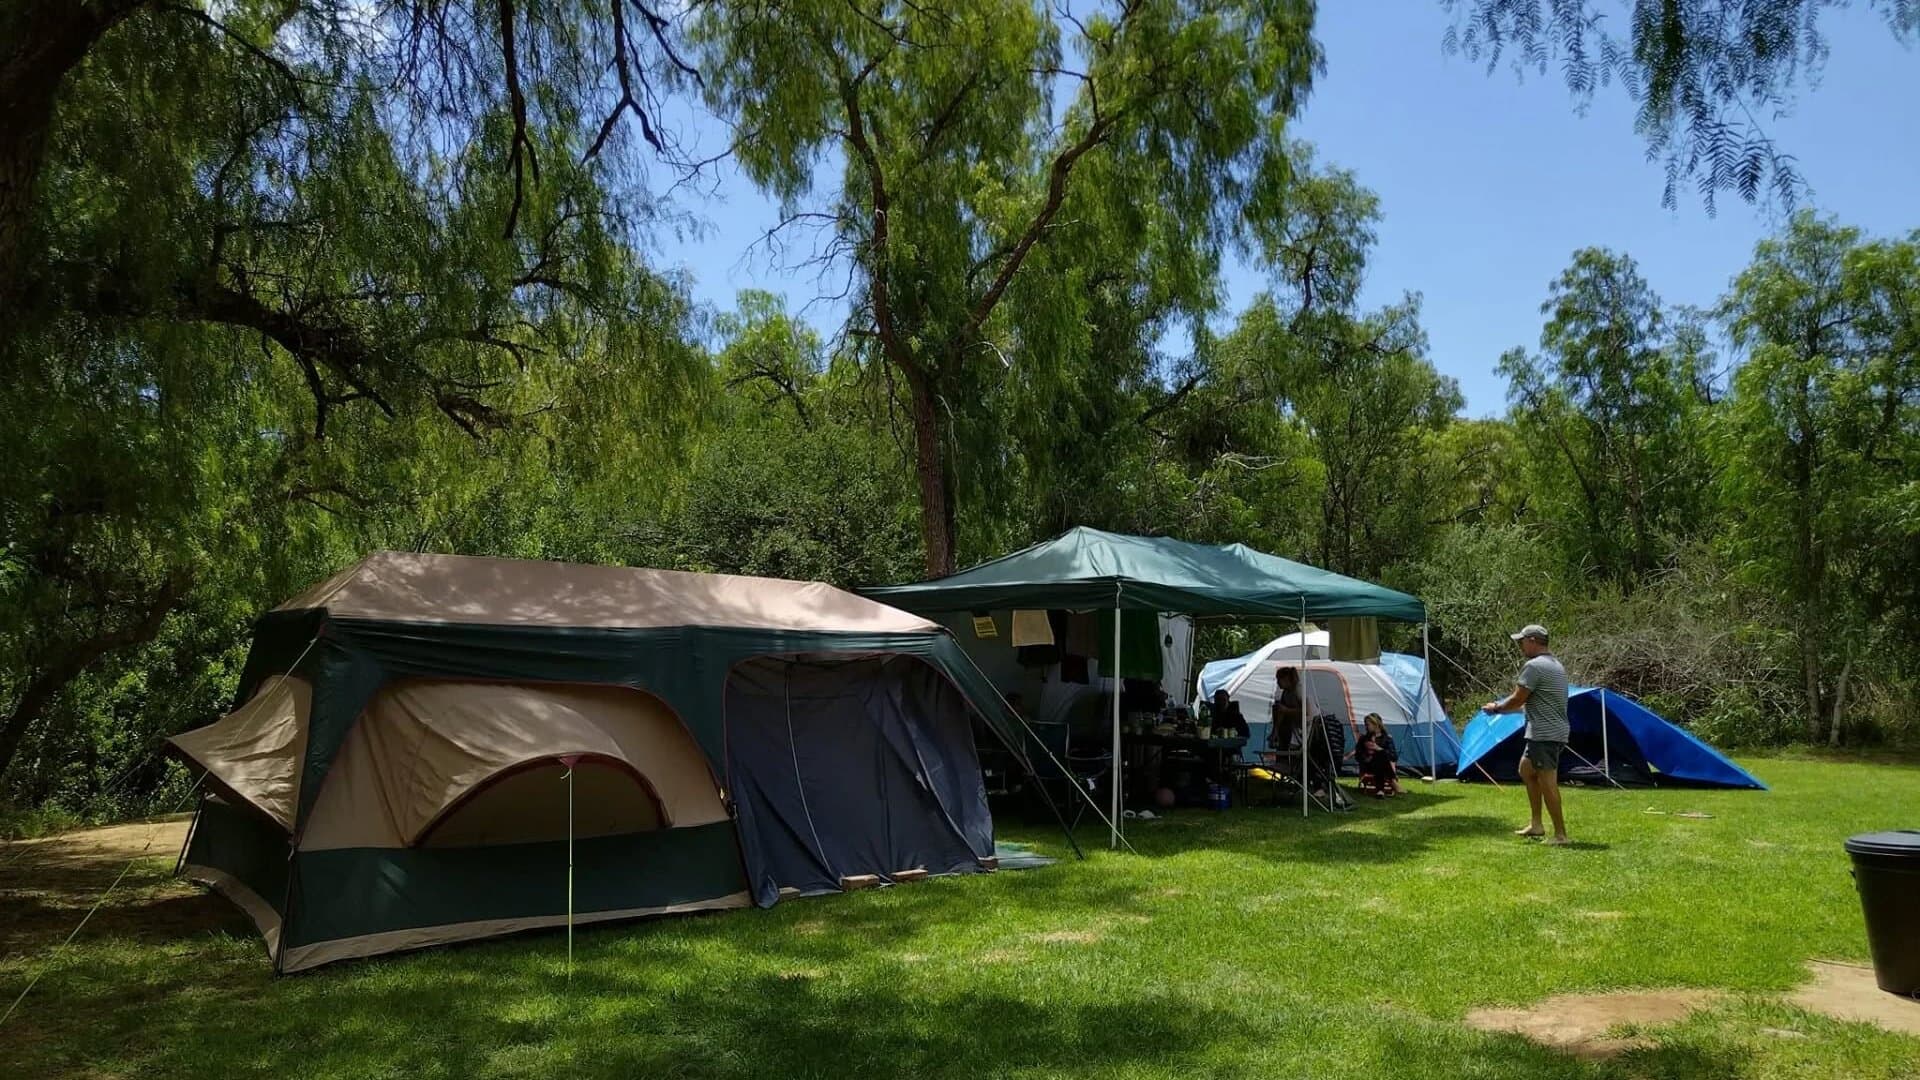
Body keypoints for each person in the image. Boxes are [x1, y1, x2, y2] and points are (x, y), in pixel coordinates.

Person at [1484, 624, 1571, 845]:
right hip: (1552, 731)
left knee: (1547, 781)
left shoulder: (1534, 666)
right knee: (1526, 769)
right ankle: (1536, 825)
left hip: (1543, 734)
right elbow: (1529, 702)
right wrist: (1505, 707)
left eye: (1522, 641)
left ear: (1532, 640)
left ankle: (1560, 835)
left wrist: (1496, 708)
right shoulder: (1555, 665)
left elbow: (1517, 698)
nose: (1520, 645)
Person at [1354, 713, 1399, 798]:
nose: (1366, 727)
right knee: (1380, 756)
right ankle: (1392, 780)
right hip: (1369, 765)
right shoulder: (1363, 738)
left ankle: (1380, 791)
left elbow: (1393, 756)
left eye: (1368, 725)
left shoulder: (1387, 738)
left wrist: (1378, 748)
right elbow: (1358, 755)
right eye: (1365, 725)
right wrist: (1366, 757)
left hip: (1383, 766)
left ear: (1376, 724)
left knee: (1380, 755)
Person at [1271, 666, 1304, 751]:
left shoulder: (1298, 690)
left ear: (1285, 679)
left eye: (1279, 680)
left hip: (1304, 724)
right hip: (1293, 724)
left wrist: (1287, 710)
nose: (1278, 683)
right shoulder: (1285, 693)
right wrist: (1275, 731)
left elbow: (1305, 711)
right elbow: (1281, 712)